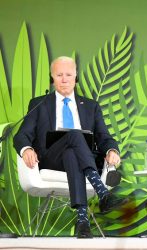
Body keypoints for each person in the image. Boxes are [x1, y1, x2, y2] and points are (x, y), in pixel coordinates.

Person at [14, 56, 125, 238]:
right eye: (59, 75)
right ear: (52, 78)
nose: (64, 79)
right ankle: (102, 192)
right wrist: (26, 149)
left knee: (72, 154)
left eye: (68, 74)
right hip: (51, 159)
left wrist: (112, 150)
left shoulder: (91, 106)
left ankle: (82, 222)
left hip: (80, 159)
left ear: (75, 77)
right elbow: (22, 135)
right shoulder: (39, 104)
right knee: (74, 134)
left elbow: (104, 137)